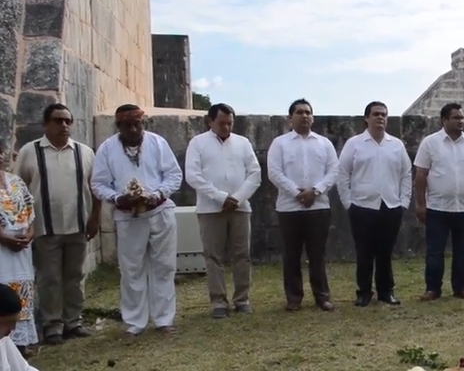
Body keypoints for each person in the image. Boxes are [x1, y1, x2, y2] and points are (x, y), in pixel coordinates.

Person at [91, 104, 183, 338]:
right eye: (128, 125)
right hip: (128, 216)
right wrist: (118, 198)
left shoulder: (157, 143)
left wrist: (157, 194)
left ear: (143, 123)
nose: (134, 129)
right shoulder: (107, 149)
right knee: (132, 270)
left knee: (164, 267)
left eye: (137, 124)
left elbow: (174, 175)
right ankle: (134, 324)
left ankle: (164, 320)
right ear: (118, 126)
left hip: (159, 212)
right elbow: (98, 183)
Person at [15, 103, 99, 345]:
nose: (64, 125)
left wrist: (94, 218)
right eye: (58, 120)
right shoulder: (30, 152)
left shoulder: (84, 152)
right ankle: (53, 325)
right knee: (49, 278)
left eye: (67, 121)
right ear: (46, 124)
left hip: (78, 226)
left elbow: (95, 188)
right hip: (44, 228)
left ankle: (74, 321)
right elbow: (19, 188)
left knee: (74, 276)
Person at [184, 103, 262, 318]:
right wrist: (220, 197)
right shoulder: (198, 143)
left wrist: (237, 198)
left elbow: (255, 174)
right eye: (222, 123)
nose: (226, 127)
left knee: (242, 255)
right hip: (210, 208)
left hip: (240, 207)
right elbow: (193, 176)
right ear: (210, 122)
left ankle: (242, 298)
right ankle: (218, 301)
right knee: (213, 256)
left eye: (230, 123)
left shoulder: (243, 143)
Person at [336, 101, 412, 307]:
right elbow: (342, 174)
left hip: (390, 206)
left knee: (385, 252)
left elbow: (406, 174)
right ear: (366, 119)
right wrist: (348, 203)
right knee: (364, 252)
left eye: (384, 115)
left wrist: (403, 202)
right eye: (376, 114)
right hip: (362, 206)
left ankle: (386, 291)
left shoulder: (396, 145)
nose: (380, 118)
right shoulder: (354, 144)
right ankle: (364, 292)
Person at [267, 99, 339, 312]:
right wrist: (296, 192)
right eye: (299, 112)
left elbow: (333, 171)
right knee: (292, 254)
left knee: (317, 255)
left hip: (318, 206)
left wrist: (315, 191)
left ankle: (322, 296)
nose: (304, 116)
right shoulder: (279, 143)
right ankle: (294, 297)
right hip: (289, 208)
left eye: (308, 112)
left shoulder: (324, 143)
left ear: (313, 117)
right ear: (290, 118)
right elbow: (274, 172)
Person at [413, 103, 464, 301]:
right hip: (437, 207)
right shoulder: (430, 143)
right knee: (434, 251)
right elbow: (421, 175)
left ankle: (461, 287)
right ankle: (432, 289)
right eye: (456, 118)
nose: (461, 121)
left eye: (462, 118)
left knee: (463, 250)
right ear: (444, 120)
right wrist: (420, 204)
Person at [0, 149, 39, 357]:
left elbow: (30, 212)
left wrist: (29, 234)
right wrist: (5, 238)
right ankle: (4, 345)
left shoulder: (16, 182)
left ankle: (21, 344)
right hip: (1, 248)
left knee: (23, 289)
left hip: (22, 247)